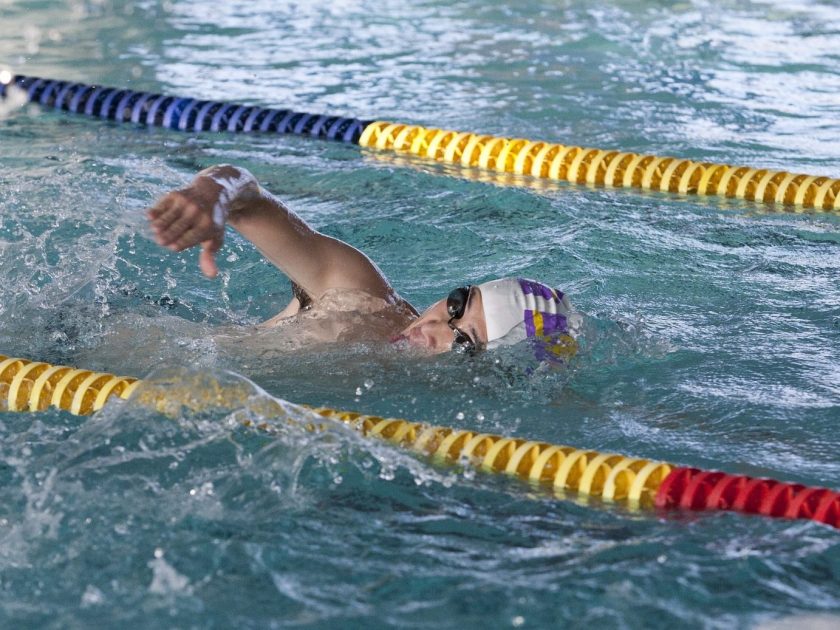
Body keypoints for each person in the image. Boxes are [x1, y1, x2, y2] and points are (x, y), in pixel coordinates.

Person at [147, 164, 579, 356]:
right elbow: (249, 199)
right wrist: (212, 196)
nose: (430, 328)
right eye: (455, 306)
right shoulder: (358, 298)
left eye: (464, 342)